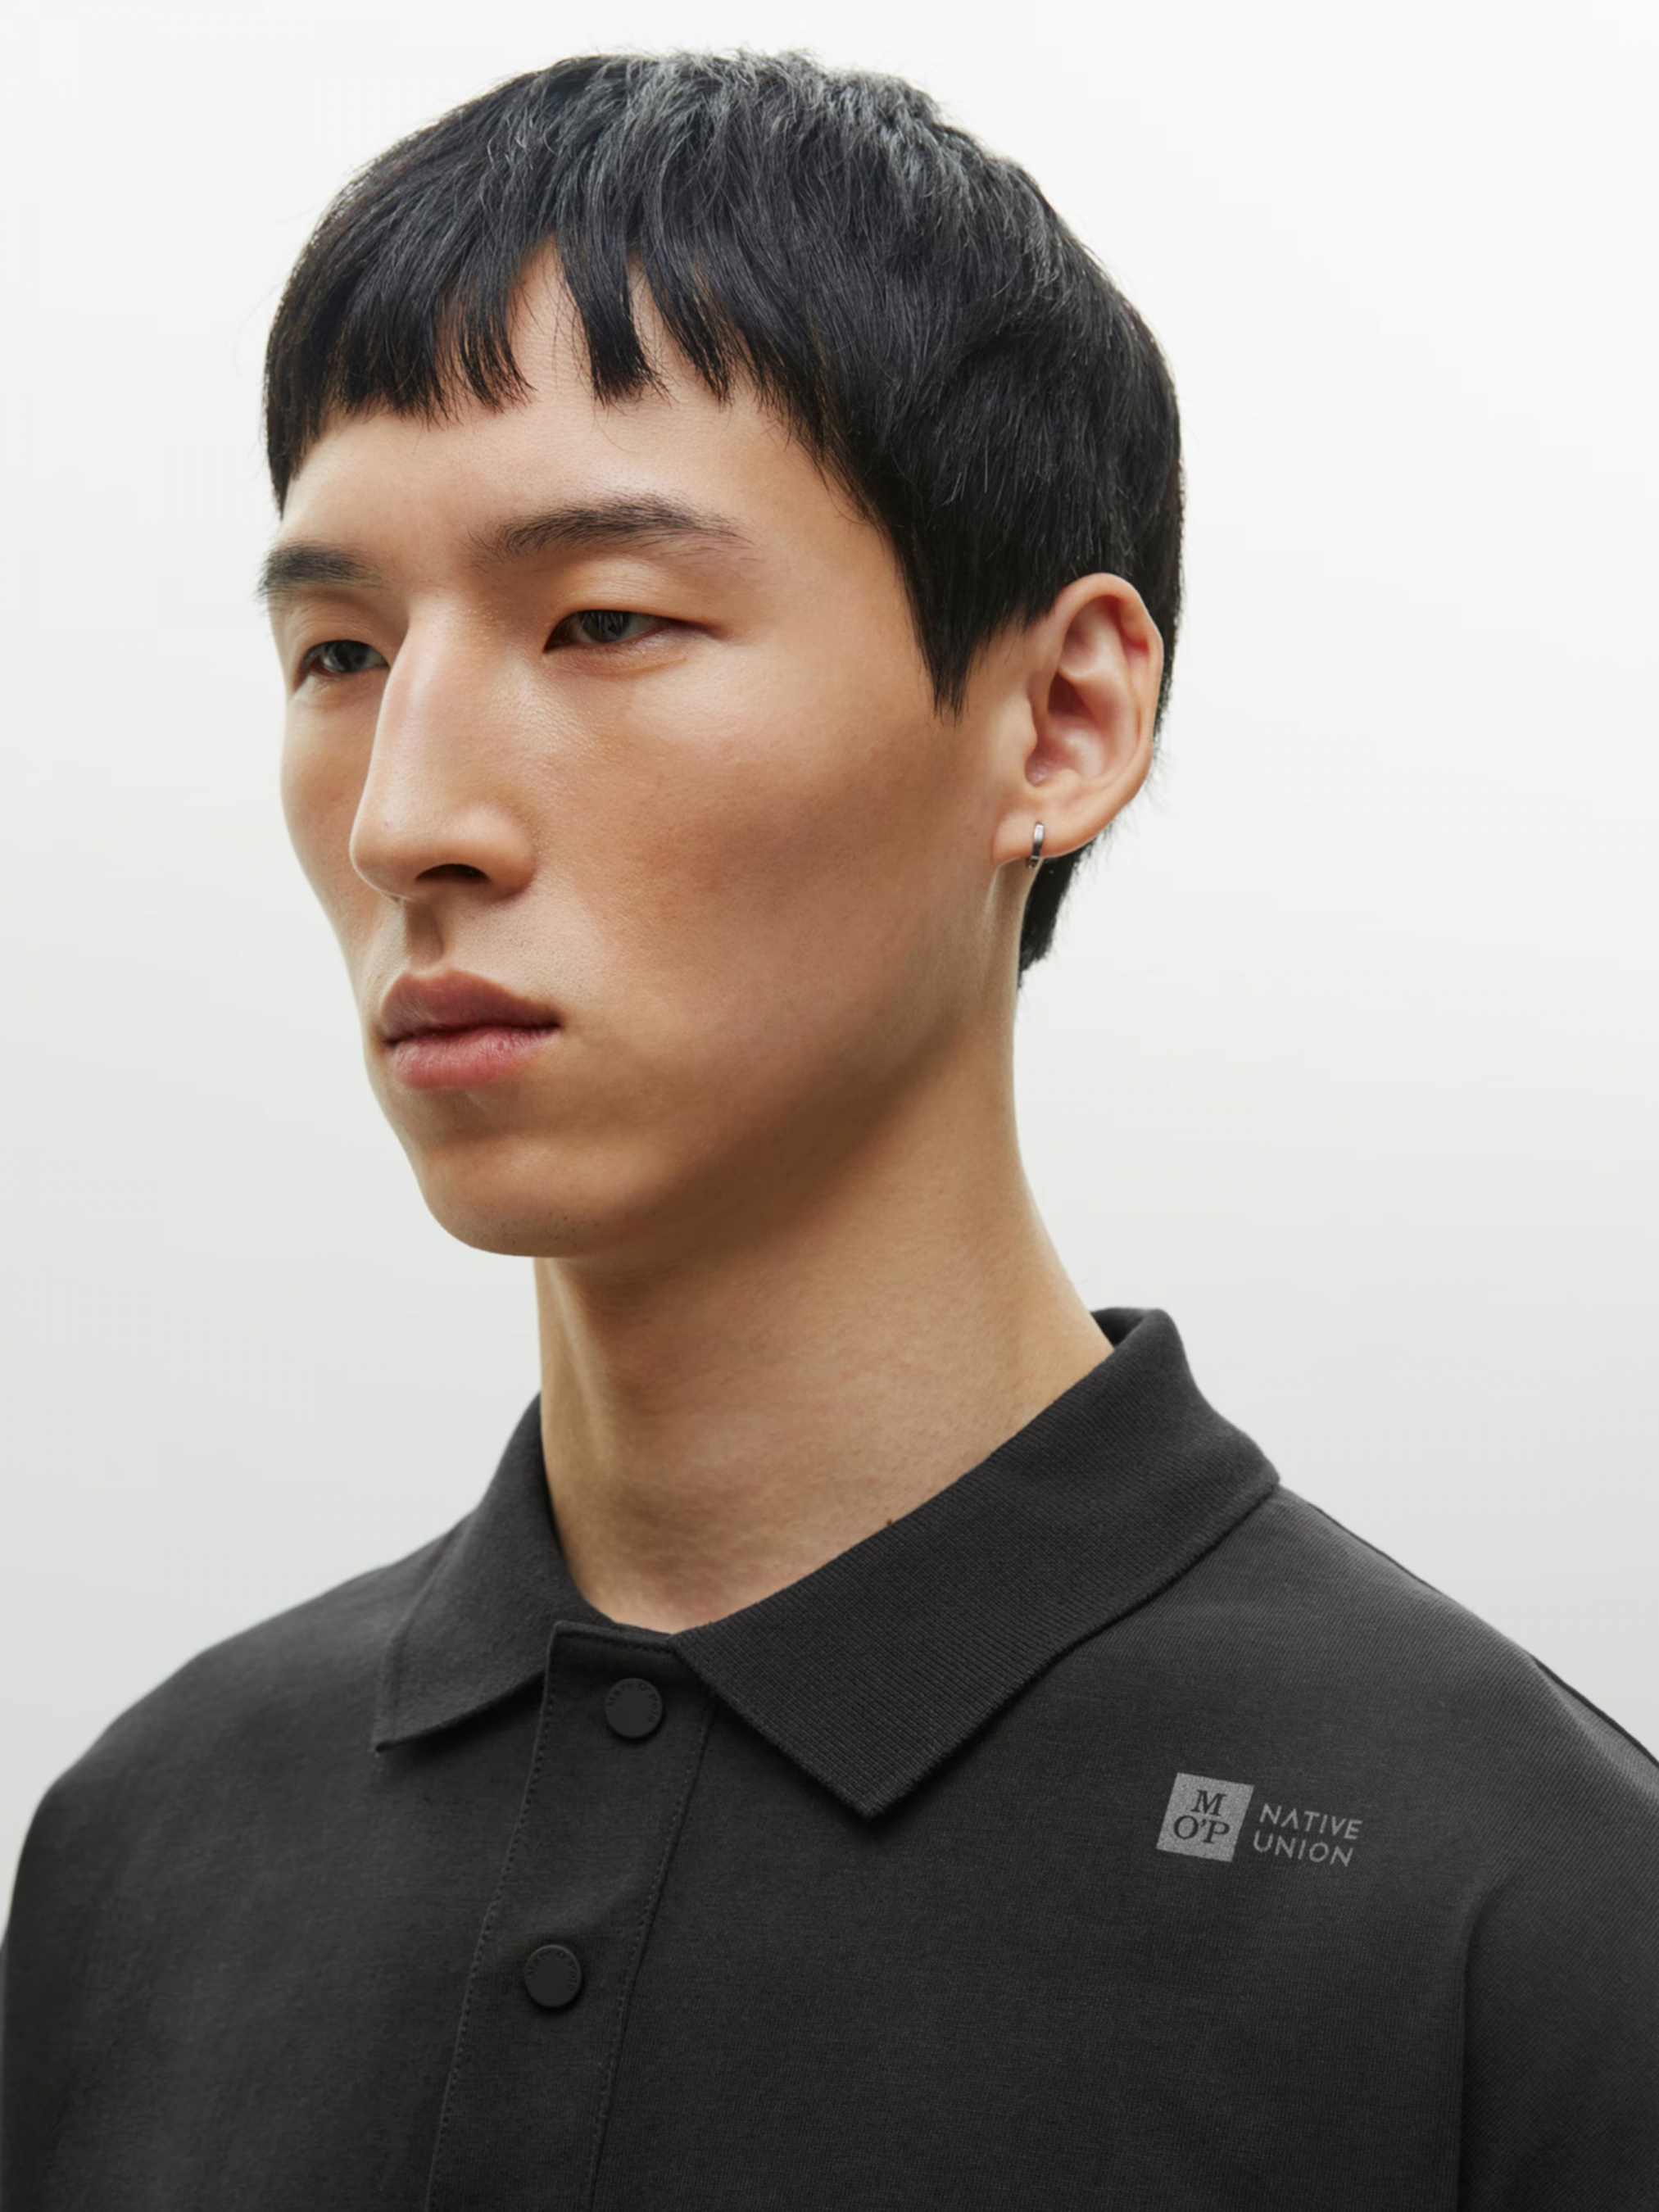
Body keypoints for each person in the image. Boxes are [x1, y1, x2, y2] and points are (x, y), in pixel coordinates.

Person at [2, 49, 1654, 2210]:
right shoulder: (139, 1848)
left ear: (1059, 718)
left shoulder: (1526, 1918)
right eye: (337, 652)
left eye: (603, 620)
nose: (407, 816)